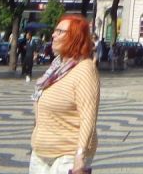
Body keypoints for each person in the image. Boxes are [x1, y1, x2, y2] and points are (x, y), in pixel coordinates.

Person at [30, 15, 99, 174]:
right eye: (55, 30)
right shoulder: (56, 67)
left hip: (67, 154)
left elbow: (88, 117)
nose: (53, 35)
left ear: (75, 37)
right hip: (41, 152)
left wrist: (80, 156)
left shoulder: (85, 70)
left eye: (60, 32)